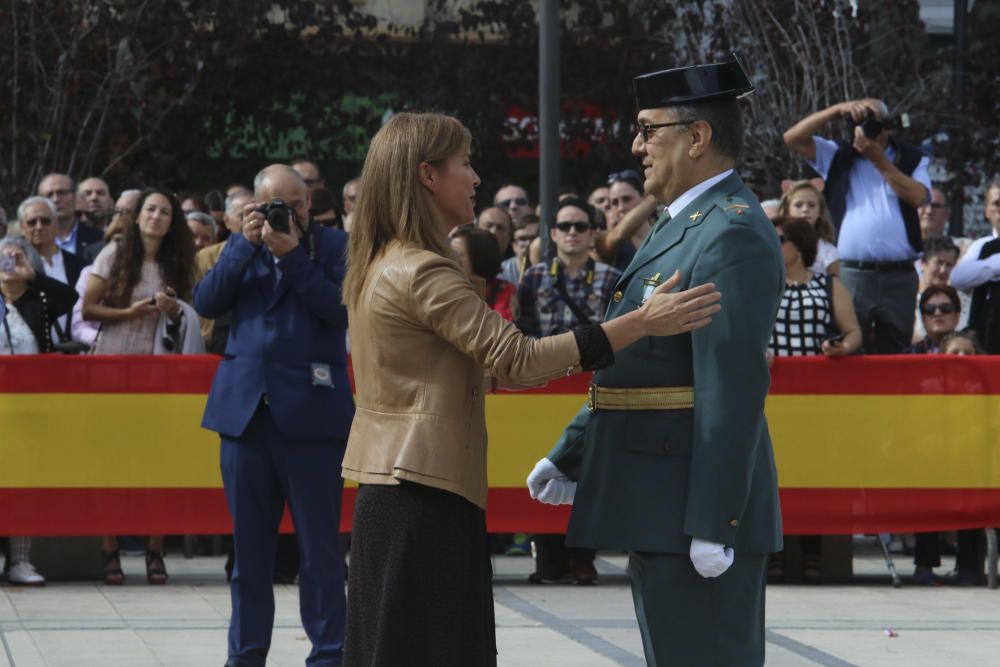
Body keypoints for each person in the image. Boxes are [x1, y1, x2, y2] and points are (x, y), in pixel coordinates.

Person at [339, 111, 721, 667]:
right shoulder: (424, 269)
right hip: (425, 495)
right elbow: (517, 359)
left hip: (395, 487)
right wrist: (640, 322)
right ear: (426, 174)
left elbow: (457, 369)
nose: (475, 178)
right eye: (464, 164)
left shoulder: (382, 261)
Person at [528, 58, 784, 667]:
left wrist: (715, 518)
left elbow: (731, 386)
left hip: (691, 505)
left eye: (649, 129)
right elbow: (647, 365)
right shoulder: (687, 224)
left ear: (697, 137)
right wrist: (573, 451)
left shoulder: (730, 232)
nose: (636, 145)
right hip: (662, 498)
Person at [194, 164, 354, 667]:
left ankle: (329, 655)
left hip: (312, 413)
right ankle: (245, 658)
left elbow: (341, 311)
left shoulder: (335, 247)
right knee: (249, 555)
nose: (287, 214)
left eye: (297, 204)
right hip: (244, 416)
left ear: (310, 202)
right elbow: (207, 300)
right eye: (272, 205)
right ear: (252, 206)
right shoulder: (239, 246)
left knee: (321, 551)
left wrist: (292, 259)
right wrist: (244, 244)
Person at [82, 188, 197, 584]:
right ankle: (110, 550)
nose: (156, 217)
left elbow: (188, 318)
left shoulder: (178, 263)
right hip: (111, 365)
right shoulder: (114, 254)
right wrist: (129, 311)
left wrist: (173, 309)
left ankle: (155, 551)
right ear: (138, 215)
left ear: (172, 221)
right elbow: (87, 308)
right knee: (107, 461)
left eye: (165, 212)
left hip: (157, 371)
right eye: (150, 209)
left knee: (156, 463)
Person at [784, 98, 930, 353]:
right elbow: (793, 138)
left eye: (873, 123)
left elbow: (919, 197)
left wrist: (879, 160)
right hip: (853, 273)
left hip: (899, 275)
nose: (866, 129)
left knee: (895, 353)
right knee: (848, 347)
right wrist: (837, 109)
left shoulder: (911, 158)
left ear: (888, 126)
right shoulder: (839, 156)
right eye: (859, 124)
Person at [1, 237, 79, 586]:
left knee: (22, 484)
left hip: (29, 411)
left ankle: (20, 561)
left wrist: (34, 277)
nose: (8, 264)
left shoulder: (40, 301)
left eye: (16, 259)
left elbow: (71, 298)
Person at [950, 179, 1000, 352]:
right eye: (997, 203)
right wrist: (996, 265)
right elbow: (959, 278)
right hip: (991, 333)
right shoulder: (983, 246)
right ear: (987, 211)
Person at [450, 225, 518, 321]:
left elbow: (499, 331)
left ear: (478, 259)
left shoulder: (504, 291)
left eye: (456, 255)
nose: (448, 260)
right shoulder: (445, 288)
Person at [912, 236, 969, 342]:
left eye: (949, 265)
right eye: (939, 263)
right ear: (923, 263)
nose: (943, 270)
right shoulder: (907, 298)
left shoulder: (961, 300)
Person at [777, 180, 840, 276]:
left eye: (811, 205)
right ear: (787, 210)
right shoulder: (776, 245)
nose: (805, 209)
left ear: (820, 211)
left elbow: (835, 287)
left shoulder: (828, 252)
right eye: (798, 205)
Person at [38, 173, 104, 258]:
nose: (56, 199)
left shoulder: (99, 239)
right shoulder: (31, 242)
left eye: (61, 193)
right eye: (49, 195)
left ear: (75, 197)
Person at [912, 285, 962, 354]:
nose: (937, 313)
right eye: (929, 308)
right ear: (923, 318)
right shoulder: (909, 354)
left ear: (957, 316)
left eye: (945, 307)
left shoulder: (970, 351)